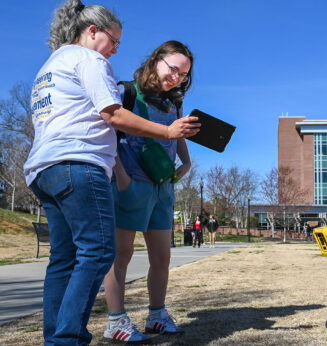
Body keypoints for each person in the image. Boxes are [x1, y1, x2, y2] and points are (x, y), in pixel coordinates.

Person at [24, 1, 199, 344]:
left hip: (46, 167)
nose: (116, 49)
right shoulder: (90, 60)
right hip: (79, 164)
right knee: (100, 252)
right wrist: (162, 135)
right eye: (114, 41)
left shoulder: (50, 65)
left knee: (65, 257)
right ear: (92, 31)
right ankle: (73, 336)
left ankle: (56, 339)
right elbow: (113, 115)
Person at [103, 40, 196, 343]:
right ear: (156, 59)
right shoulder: (126, 91)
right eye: (173, 69)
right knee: (122, 255)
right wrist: (121, 175)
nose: (176, 78)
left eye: (183, 75)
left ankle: (156, 316)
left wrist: (186, 161)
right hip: (131, 183)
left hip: (163, 187)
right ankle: (115, 322)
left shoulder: (174, 102)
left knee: (162, 258)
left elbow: (177, 132)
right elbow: (107, 131)